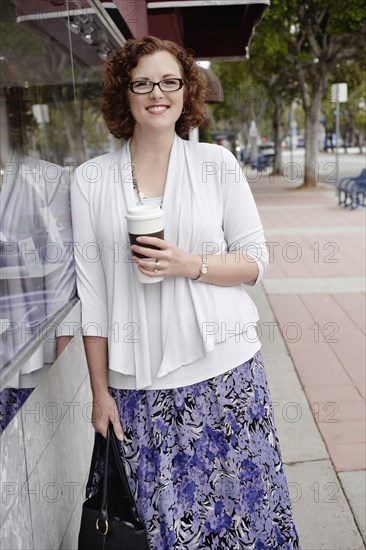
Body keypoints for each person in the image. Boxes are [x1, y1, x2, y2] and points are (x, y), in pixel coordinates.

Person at [71, 35, 301, 549]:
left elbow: (254, 261)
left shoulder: (216, 165)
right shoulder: (89, 181)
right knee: (168, 526)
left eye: (170, 81)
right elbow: (93, 297)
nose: (158, 93)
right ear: (123, 93)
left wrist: (189, 264)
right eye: (143, 83)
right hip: (138, 388)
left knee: (244, 517)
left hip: (226, 373)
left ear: (186, 90)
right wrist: (99, 393)